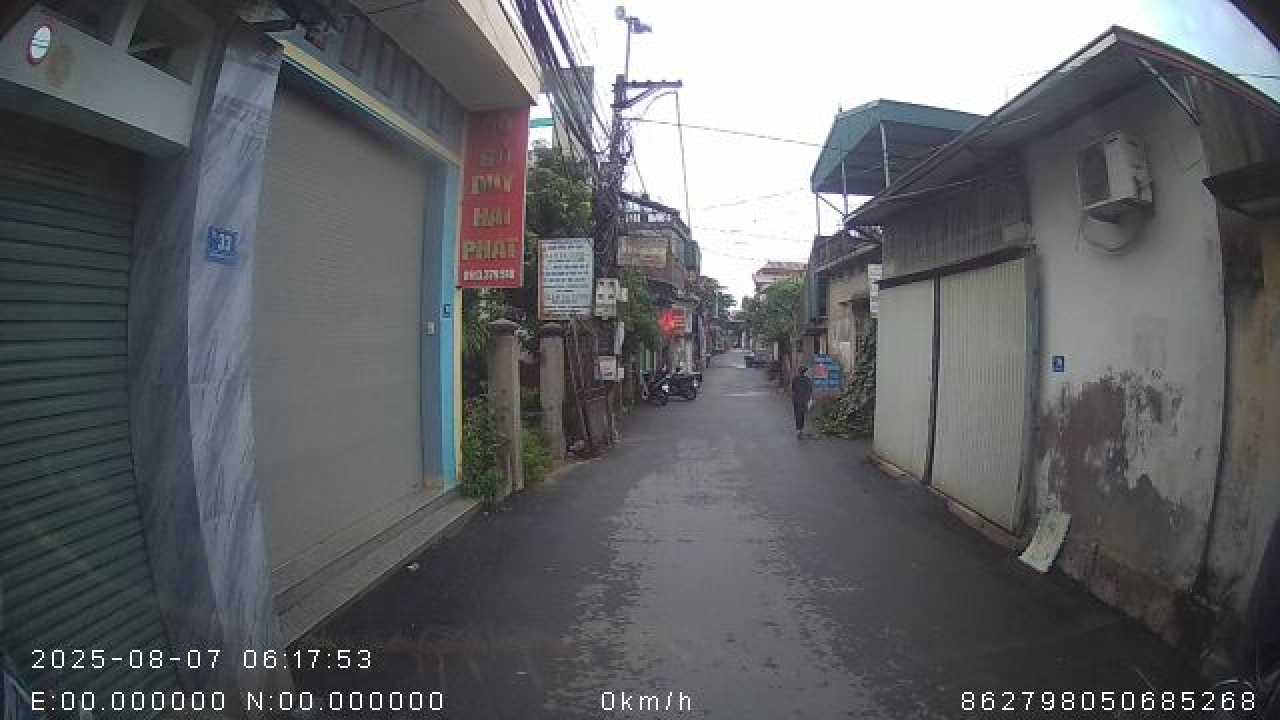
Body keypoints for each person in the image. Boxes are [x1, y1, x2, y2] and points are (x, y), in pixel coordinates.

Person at [791, 366, 814, 438]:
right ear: (805, 372)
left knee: (798, 415)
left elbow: (793, 389)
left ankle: (799, 430)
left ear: (799, 372)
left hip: (796, 400)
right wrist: (810, 400)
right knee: (802, 415)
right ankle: (800, 430)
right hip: (804, 400)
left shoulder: (795, 379)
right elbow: (810, 390)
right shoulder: (808, 380)